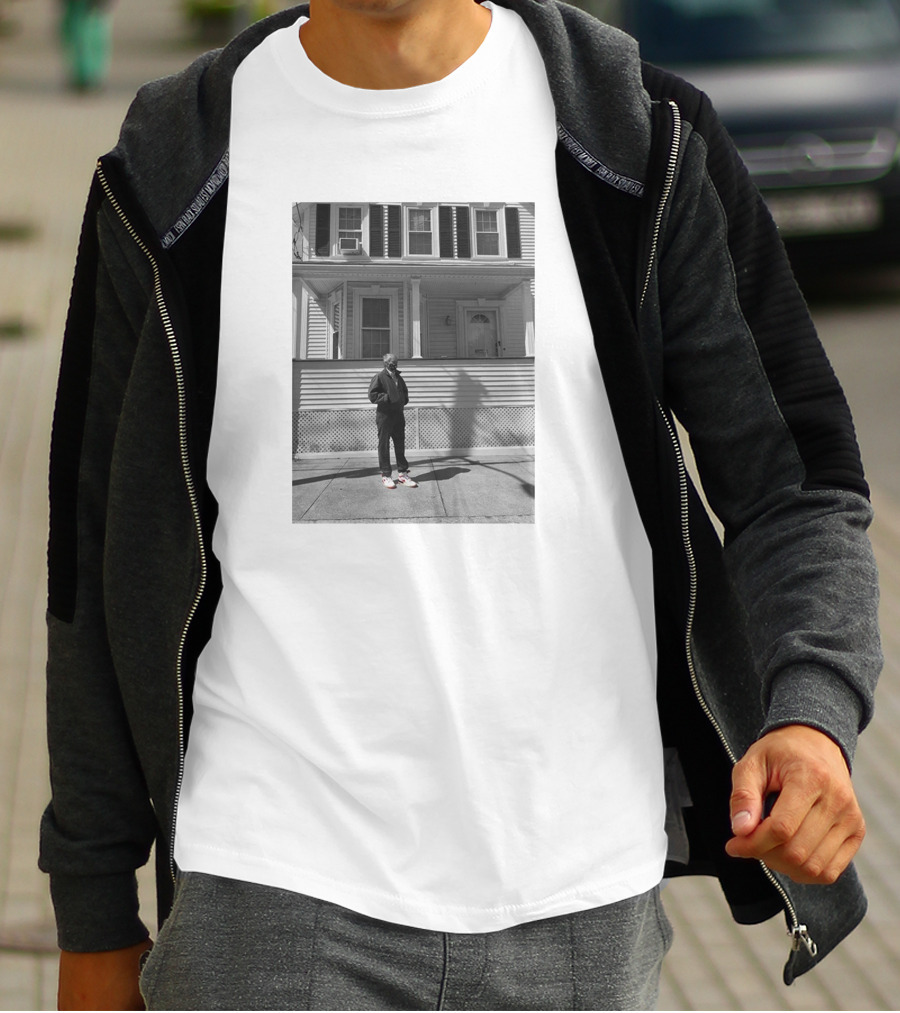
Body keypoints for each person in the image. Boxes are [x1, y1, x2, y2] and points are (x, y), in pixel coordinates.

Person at [41, 0, 881, 1009]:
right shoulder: (174, 166)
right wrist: (93, 910)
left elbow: (797, 479)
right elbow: (88, 561)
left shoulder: (634, 136)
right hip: (269, 886)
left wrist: (814, 714)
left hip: (580, 888)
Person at [368, 352, 417, 488]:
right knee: (384, 445)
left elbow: (405, 392)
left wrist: (403, 400)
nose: (394, 365)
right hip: (384, 416)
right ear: (385, 363)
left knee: (400, 444)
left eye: (396, 362)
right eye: (392, 362)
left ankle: (402, 474)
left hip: (398, 415)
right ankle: (386, 475)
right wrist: (388, 398)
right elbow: (372, 396)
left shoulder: (399, 377)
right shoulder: (379, 377)